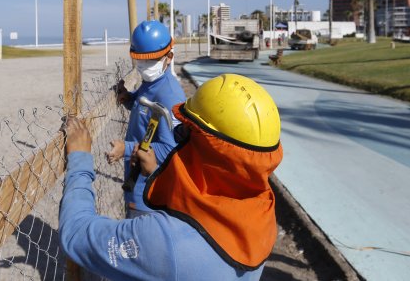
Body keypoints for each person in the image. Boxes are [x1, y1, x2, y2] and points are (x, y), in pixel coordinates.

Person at [60, 74, 283, 280]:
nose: (177, 138)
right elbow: (204, 201)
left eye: (182, 132)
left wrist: (80, 158)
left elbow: (76, 233)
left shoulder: (163, 241)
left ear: (206, 152)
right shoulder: (263, 212)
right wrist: (158, 174)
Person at [108, 20, 185, 217]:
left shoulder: (170, 96)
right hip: (136, 182)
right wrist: (129, 98)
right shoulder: (152, 82)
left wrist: (126, 149)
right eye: (140, 60)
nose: (145, 66)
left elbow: (170, 149)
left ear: (169, 56)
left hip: (147, 192)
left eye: (151, 60)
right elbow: (145, 105)